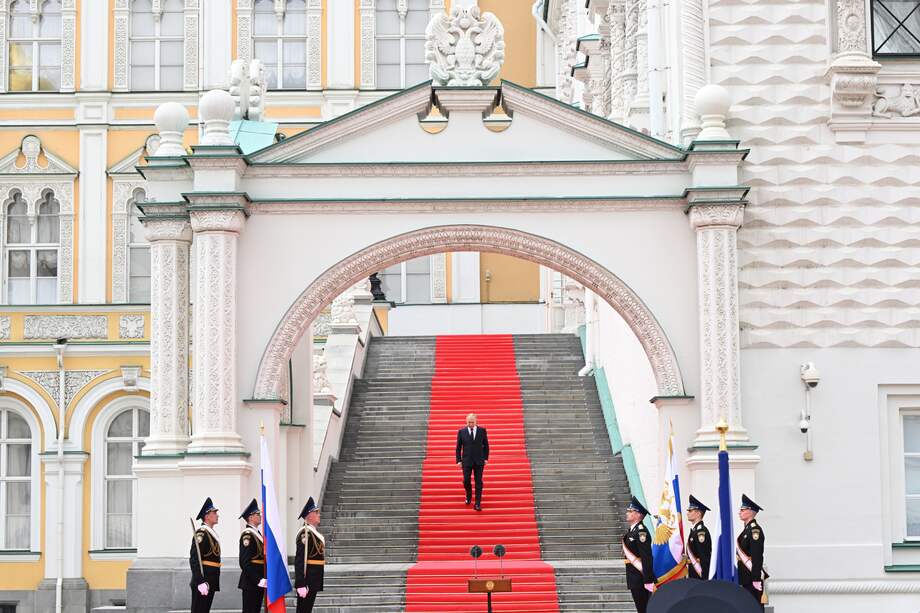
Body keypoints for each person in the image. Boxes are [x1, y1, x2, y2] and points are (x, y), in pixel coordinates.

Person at [622, 496, 656, 613]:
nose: (627, 513)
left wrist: (647, 580)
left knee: (644, 609)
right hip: (634, 577)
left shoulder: (641, 532)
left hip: (640, 578)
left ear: (638, 515)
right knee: (640, 608)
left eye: (630, 511)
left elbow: (647, 557)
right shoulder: (633, 531)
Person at [189, 497, 221, 613]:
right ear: (207, 516)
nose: (217, 515)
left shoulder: (211, 533)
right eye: (214, 513)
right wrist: (200, 581)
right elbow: (194, 559)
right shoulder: (201, 533)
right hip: (203, 579)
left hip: (210, 579)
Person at [294, 497, 324, 613]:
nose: (319, 515)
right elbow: (300, 559)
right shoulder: (305, 533)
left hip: (313, 579)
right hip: (308, 580)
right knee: (303, 610)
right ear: (310, 515)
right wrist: (300, 583)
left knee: (307, 609)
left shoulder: (312, 533)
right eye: (316, 512)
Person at [737, 494, 767, 609]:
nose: (740, 512)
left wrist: (755, 578)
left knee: (754, 608)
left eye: (742, 510)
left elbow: (757, 555)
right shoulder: (747, 530)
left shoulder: (755, 531)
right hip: (745, 577)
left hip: (751, 578)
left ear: (750, 512)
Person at [455, 412, 489, 511]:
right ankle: (469, 496)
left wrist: (486, 458)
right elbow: (458, 447)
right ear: (466, 422)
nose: (470, 424)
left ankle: (478, 503)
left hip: (479, 461)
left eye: (472, 422)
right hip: (466, 461)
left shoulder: (482, 431)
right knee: (466, 481)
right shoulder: (462, 432)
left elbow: (486, 445)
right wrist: (458, 460)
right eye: (469, 422)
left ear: (476, 421)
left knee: (479, 482)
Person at [238, 498, 266, 613]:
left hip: (258, 581)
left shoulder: (257, 534)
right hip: (251, 582)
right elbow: (244, 562)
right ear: (250, 517)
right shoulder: (248, 535)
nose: (260, 516)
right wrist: (258, 579)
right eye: (257, 514)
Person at [685, 495, 712, 580]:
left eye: (690, 510)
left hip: (699, 574)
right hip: (693, 572)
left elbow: (704, 557)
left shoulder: (701, 532)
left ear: (698, 513)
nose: (687, 513)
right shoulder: (694, 531)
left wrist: (705, 578)